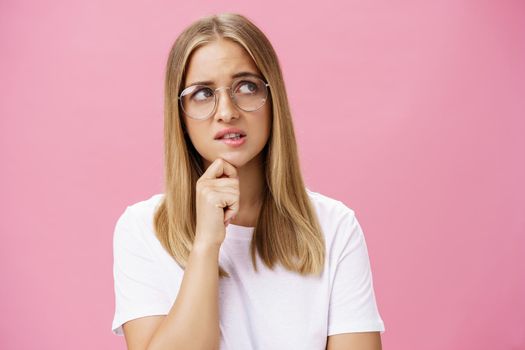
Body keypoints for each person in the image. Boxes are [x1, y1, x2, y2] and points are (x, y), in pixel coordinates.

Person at [111, 12, 385, 350]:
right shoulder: (142, 228)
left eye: (246, 86)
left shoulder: (335, 227)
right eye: (202, 93)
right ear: (179, 115)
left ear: (274, 101)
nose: (226, 111)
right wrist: (206, 246)